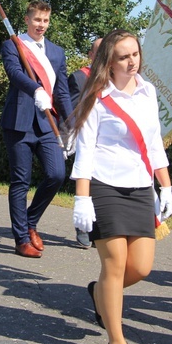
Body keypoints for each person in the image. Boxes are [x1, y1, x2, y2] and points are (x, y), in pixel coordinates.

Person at [71, 30, 172, 344]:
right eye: (123, 57)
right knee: (114, 265)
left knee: (141, 268)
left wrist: (166, 185)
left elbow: (155, 143)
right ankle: (117, 341)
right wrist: (82, 198)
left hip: (141, 187)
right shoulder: (97, 96)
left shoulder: (148, 92)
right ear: (109, 62)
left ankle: (99, 292)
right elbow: (85, 151)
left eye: (135, 54)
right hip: (104, 186)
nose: (132, 61)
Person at [1, 0, 74, 258]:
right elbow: (13, 73)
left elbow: (63, 92)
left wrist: (71, 124)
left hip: (46, 124)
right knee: (21, 181)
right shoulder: (13, 45)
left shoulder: (56, 53)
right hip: (18, 122)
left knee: (56, 174)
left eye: (45, 21)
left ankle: (31, 221)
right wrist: (36, 89)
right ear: (27, 19)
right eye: (36, 20)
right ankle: (21, 238)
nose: (41, 25)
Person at [68, 37, 102, 249]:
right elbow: (71, 110)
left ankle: (99, 228)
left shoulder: (116, 78)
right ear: (91, 55)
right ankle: (83, 227)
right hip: (87, 139)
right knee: (87, 182)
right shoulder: (80, 77)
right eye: (98, 52)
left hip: (108, 142)